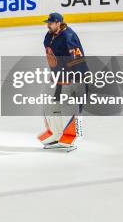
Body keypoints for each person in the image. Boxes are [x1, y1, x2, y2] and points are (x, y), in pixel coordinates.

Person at [39, 13, 87, 151]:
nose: (48, 25)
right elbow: (51, 54)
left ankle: (72, 136)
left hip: (72, 77)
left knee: (69, 107)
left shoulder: (69, 37)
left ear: (59, 23)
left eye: (51, 23)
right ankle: (57, 134)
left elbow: (77, 58)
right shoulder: (49, 35)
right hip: (57, 76)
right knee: (51, 105)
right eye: (48, 22)